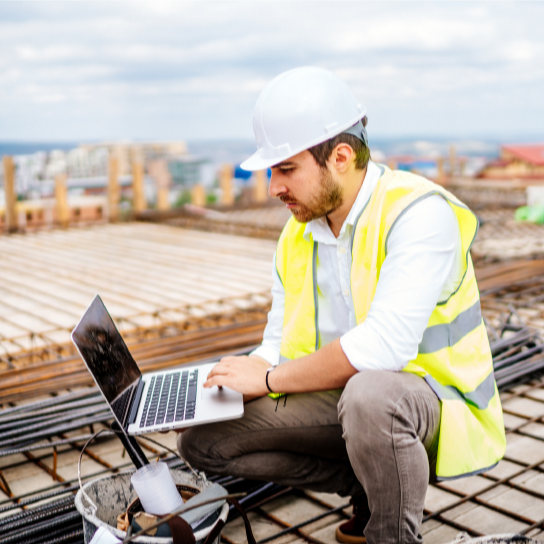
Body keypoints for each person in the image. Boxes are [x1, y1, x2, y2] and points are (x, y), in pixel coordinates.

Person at [177, 67, 506, 544]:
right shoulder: (297, 235)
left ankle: (390, 534)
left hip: (435, 404)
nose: (273, 187)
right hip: (352, 406)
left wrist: (267, 380)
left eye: (286, 169)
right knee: (204, 441)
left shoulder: (417, 214)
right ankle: (372, 485)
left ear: (341, 157)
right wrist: (228, 387)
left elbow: (383, 348)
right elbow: (278, 341)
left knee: (370, 397)